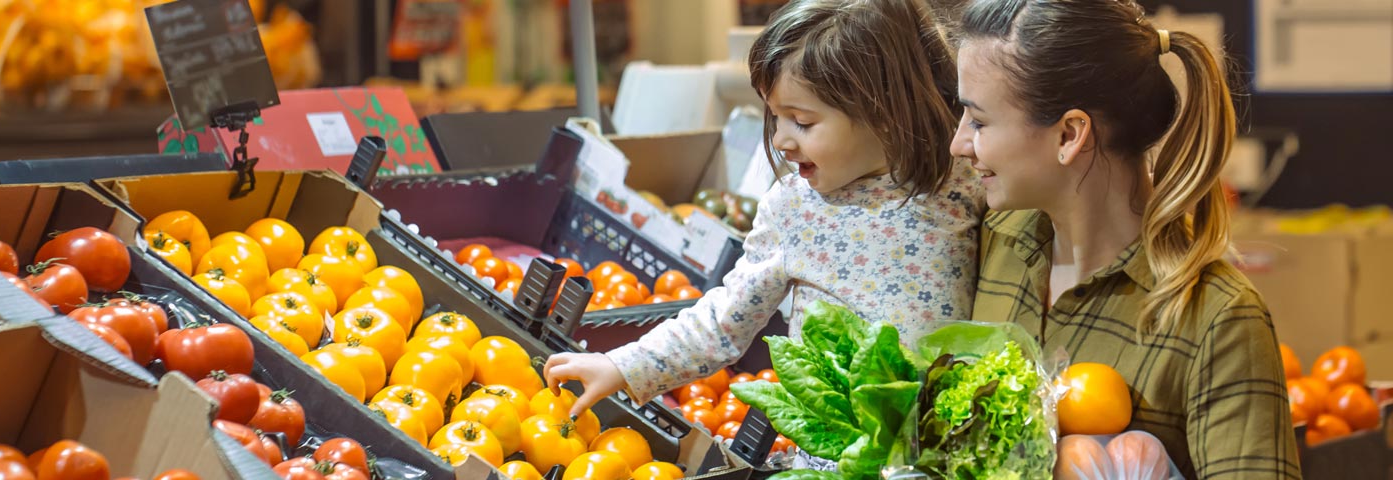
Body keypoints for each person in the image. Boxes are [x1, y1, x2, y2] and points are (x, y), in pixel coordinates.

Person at [544, 0, 983, 433]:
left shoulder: (961, 180)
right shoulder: (794, 207)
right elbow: (722, 321)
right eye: (774, 117)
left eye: (803, 122)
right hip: (834, 458)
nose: (782, 140)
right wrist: (622, 366)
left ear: (886, 112)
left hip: (939, 448)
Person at [953, 0, 1300, 477]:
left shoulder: (1217, 318)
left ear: (1069, 135)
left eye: (978, 121)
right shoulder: (988, 248)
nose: (959, 144)